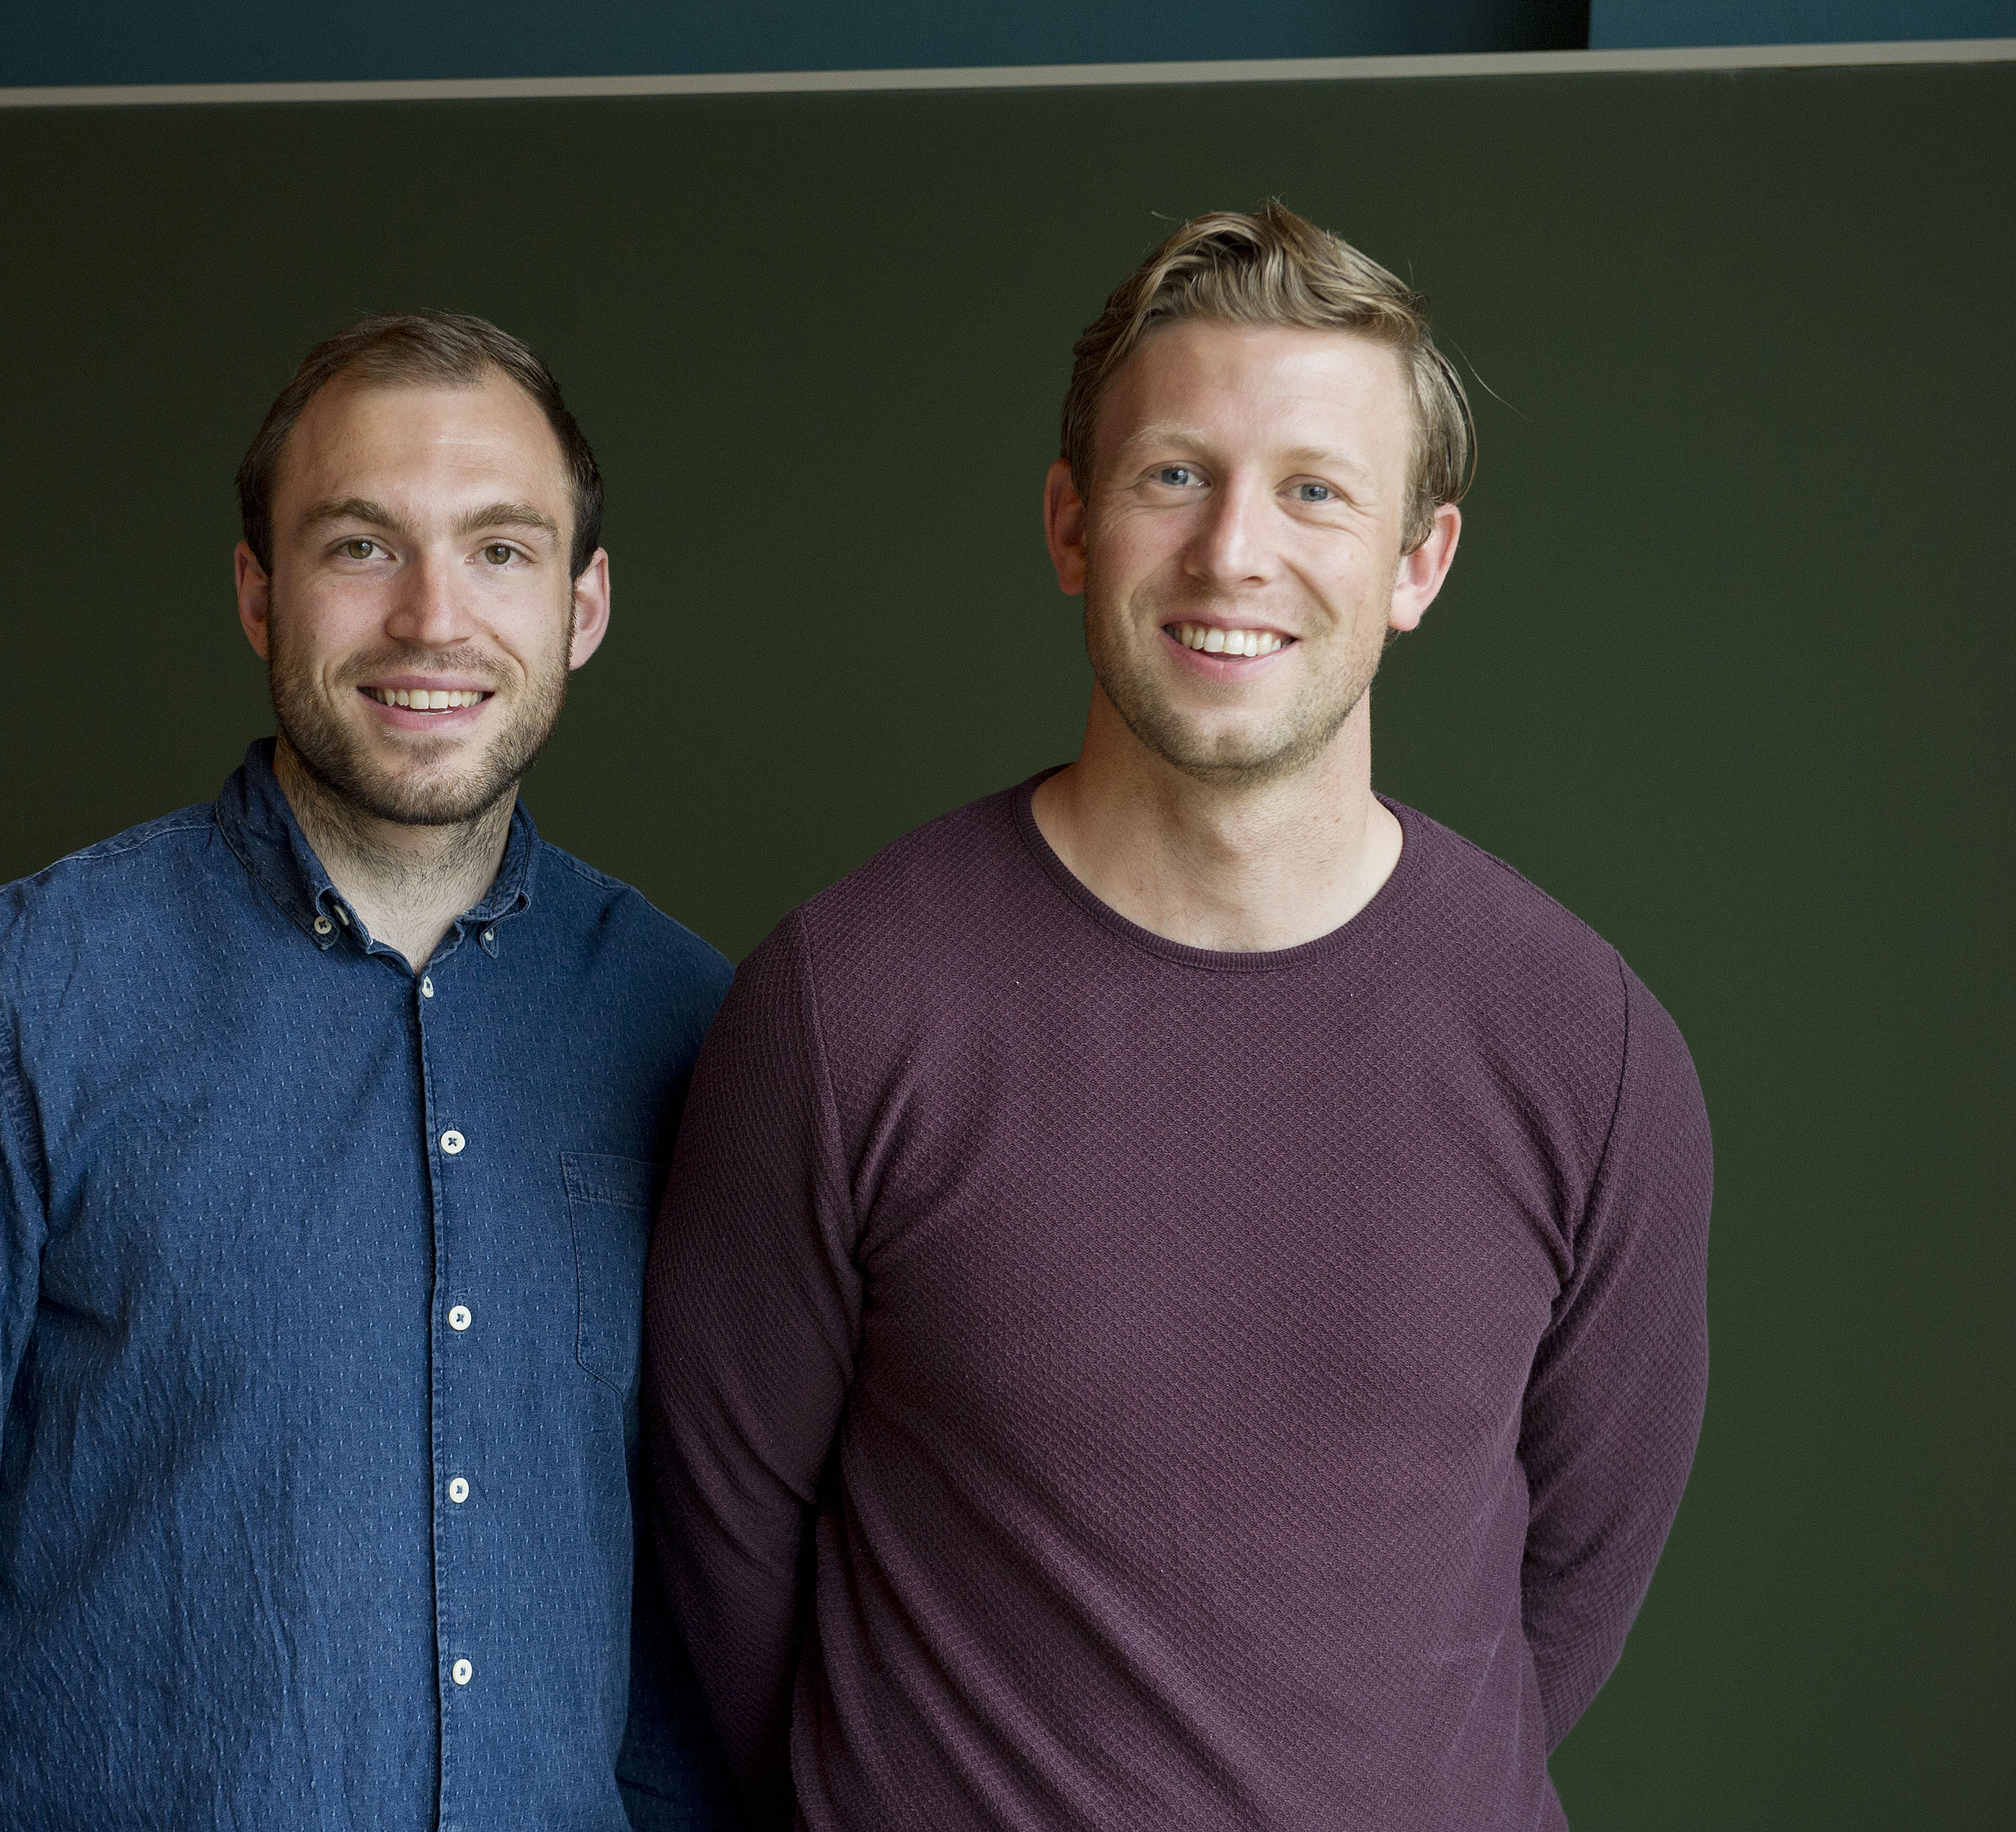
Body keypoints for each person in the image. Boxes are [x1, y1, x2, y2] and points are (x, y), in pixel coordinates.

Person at [642, 205, 1713, 1829]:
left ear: (1418, 562)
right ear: (1070, 525)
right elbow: (725, 1568)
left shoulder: (1588, 1049)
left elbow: (1568, 1585)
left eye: (1314, 492)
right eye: (1172, 477)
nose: (1231, 554)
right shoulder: (841, 1008)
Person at [0, 311, 731, 1830]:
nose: (432, 618)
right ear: (259, 591)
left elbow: (701, 1636)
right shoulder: (18, 1001)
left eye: (500, 550)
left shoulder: (692, 1026)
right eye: (360, 547)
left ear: (582, 605)